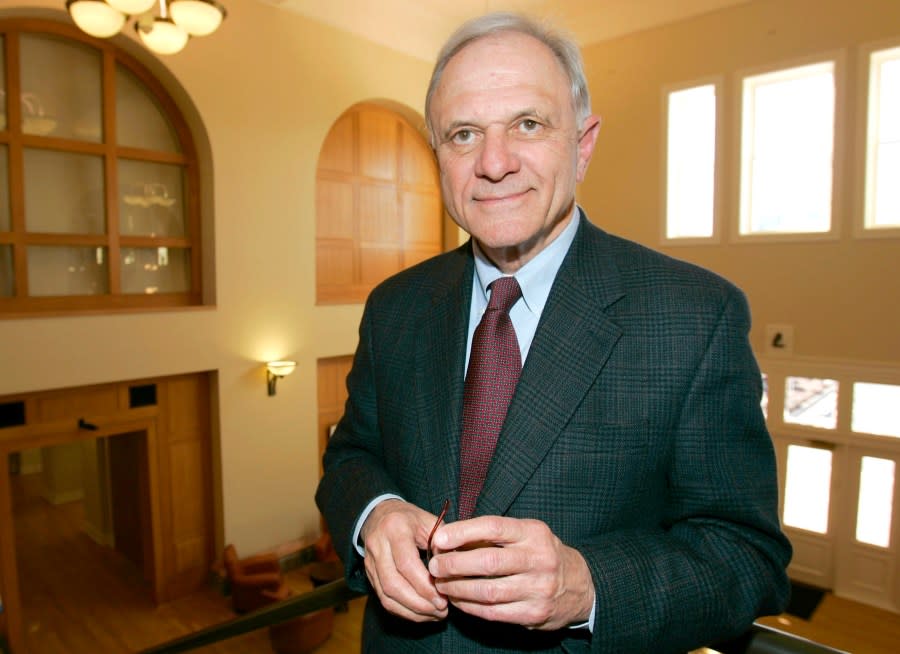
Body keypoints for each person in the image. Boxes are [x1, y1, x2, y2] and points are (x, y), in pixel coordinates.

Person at [316, 11, 791, 654]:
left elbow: (747, 558)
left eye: (528, 124)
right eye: (463, 134)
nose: (493, 163)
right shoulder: (394, 306)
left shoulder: (694, 316)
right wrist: (375, 514)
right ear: (439, 157)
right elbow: (350, 455)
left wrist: (587, 586)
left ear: (583, 143)